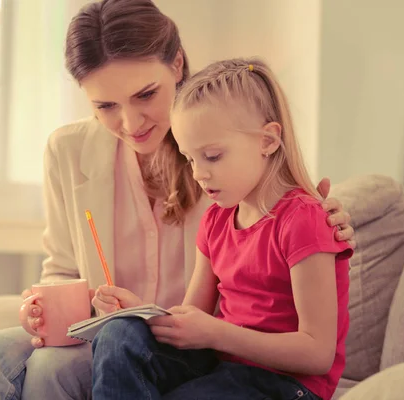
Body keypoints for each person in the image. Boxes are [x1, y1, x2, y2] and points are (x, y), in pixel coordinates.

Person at [0, 1, 354, 399]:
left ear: (177, 65)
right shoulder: (68, 151)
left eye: (145, 95)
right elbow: (63, 269)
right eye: (105, 106)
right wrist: (47, 309)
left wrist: (331, 219)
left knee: (50, 368)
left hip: (196, 345)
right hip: (123, 330)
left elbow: (286, 203)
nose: (130, 124)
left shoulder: (225, 140)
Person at [90, 58, 354, 400]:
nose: (198, 173)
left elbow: (317, 354)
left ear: (268, 141)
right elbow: (191, 319)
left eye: (212, 156)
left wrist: (217, 334)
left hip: (285, 385)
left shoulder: (302, 220)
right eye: (189, 158)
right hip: (223, 367)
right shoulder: (215, 221)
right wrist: (140, 311)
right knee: (118, 335)